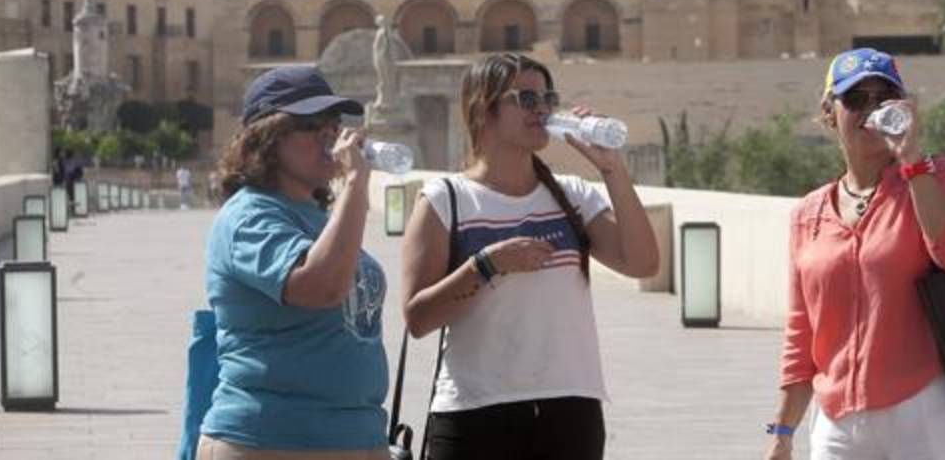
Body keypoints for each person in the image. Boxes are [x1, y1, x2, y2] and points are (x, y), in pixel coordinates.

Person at [399, 52, 660, 460]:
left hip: (570, 410)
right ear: (482, 110)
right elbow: (418, 319)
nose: (541, 109)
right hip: (476, 411)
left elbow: (642, 263)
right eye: (525, 99)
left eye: (546, 98)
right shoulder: (446, 200)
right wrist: (486, 265)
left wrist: (613, 171)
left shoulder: (573, 195)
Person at [765, 49, 945, 460]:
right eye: (856, 99)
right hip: (838, 420)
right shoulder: (809, 214)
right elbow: (802, 332)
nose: (870, 110)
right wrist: (783, 430)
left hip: (928, 409)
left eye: (883, 99)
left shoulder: (937, 176)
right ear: (828, 111)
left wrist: (912, 161)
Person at [197, 65, 388, 459]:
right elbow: (321, 287)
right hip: (275, 438)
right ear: (267, 138)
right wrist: (355, 185)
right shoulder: (248, 217)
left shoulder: (318, 217)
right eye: (313, 124)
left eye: (334, 124)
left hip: (356, 434)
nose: (330, 136)